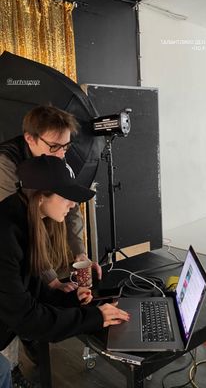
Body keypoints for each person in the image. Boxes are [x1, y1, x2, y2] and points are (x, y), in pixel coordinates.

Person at [0, 105, 101, 388]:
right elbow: (24, 314)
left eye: (66, 147)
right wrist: (52, 282)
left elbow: (69, 212)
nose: (61, 152)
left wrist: (58, 289)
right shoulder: (7, 173)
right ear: (31, 139)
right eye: (55, 146)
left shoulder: (46, 182)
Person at [0, 155, 129, 374]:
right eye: (67, 196)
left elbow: (28, 287)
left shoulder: (22, 217)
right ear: (41, 197)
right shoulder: (5, 235)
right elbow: (26, 319)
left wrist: (67, 299)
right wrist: (95, 317)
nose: (72, 204)